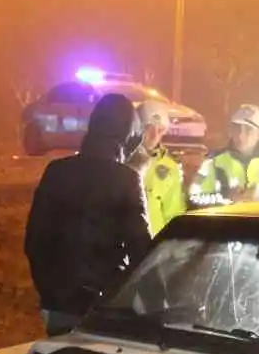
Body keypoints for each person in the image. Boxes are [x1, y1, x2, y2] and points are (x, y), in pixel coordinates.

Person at [23, 93, 151, 336]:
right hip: (105, 307)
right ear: (128, 135)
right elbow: (141, 251)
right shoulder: (126, 179)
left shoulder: (56, 172)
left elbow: (35, 242)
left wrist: (51, 291)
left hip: (59, 304)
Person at [189, 104, 259, 208]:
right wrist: (226, 198)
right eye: (237, 128)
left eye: (248, 130)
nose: (241, 135)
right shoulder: (213, 161)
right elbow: (194, 198)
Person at [129, 98, 189, 235]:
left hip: (155, 247)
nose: (154, 135)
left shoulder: (170, 167)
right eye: (148, 128)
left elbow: (174, 215)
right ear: (136, 128)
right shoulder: (121, 160)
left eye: (160, 130)